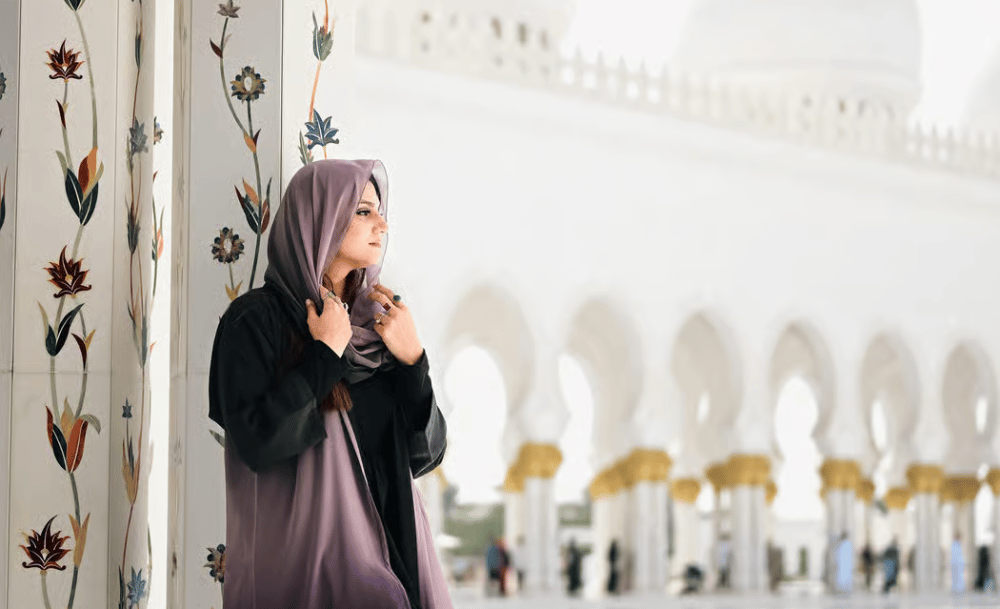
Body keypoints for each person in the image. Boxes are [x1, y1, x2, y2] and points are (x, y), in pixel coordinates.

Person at [208, 160, 451, 608]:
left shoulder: (378, 329)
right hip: (307, 579)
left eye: (381, 212)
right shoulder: (255, 321)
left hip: (400, 569)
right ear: (318, 218)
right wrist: (324, 356)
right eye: (363, 211)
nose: (382, 224)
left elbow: (425, 455)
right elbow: (257, 441)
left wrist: (414, 362)